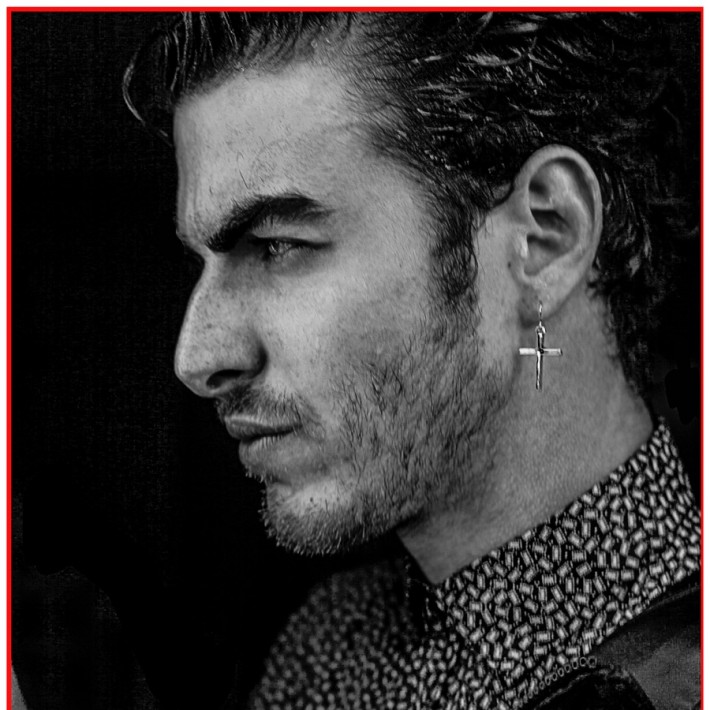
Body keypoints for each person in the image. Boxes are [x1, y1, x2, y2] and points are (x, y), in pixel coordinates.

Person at [124, 11, 700, 709]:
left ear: (544, 240)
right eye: (204, 263)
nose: (197, 356)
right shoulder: (329, 648)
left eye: (278, 244)